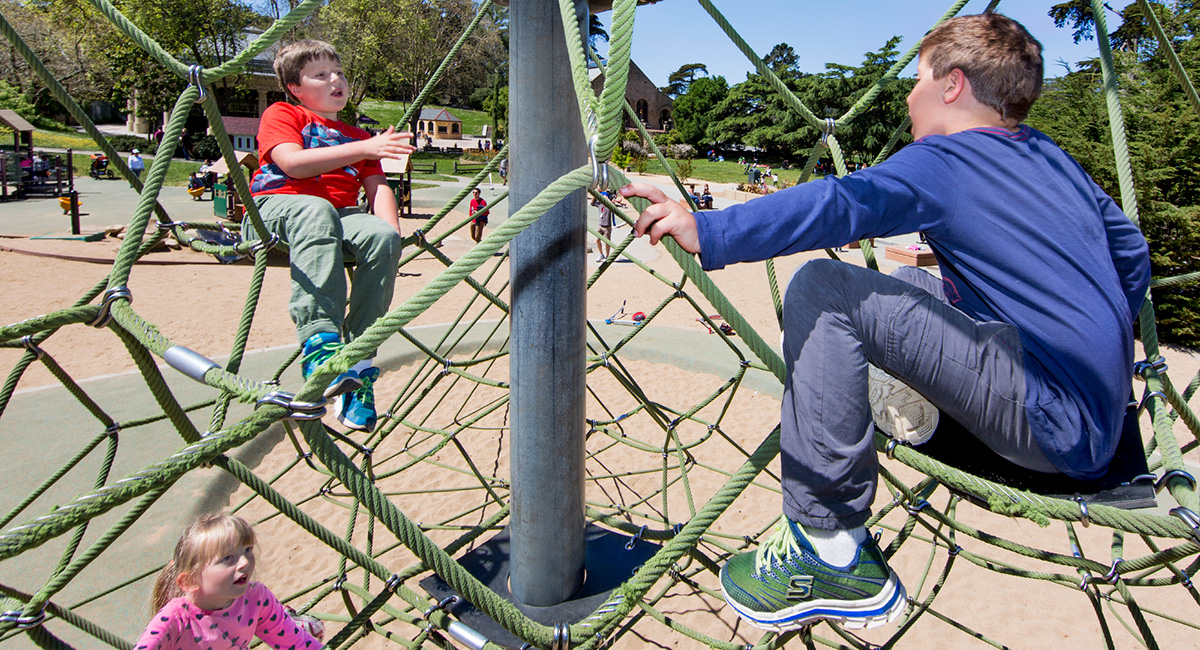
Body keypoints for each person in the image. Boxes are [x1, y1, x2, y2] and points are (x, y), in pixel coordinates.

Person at [621, 13, 1149, 633]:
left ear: (952, 85)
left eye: (918, 77)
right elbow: (1130, 256)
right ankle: (914, 410)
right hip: (1103, 419)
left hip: (1052, 426)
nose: (907, 94)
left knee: (824, 288)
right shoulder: (1053, 158)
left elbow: (843, 203)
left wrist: (709, 229)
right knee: (912, 285)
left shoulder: (947, 162)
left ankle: (830, 547)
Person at [247, 39, 415, 432]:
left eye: (338, 72)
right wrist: (365, 146)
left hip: (340, 216)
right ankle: (319, 343)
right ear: (295, 88)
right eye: (320, 75)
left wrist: (391, 234)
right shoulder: (283, 114)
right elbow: (292, 164)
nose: (335, 79)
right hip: (279, 207)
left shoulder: (357, 135)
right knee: (316, 208)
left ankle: (357, 364)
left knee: (381, 236)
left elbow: (379, 189)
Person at [135, 513, 325, 650]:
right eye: (227, 558)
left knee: (311, 632)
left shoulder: (255, 598)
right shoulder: (175, 620)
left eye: (247, 550)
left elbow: (296, 643)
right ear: (191, 580)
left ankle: (293, 619)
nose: (244, 562)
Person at [594, 191, 614, 263]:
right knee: (597, 240)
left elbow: (613, 207)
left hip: (607, 227)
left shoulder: (608, 206)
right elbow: (592, 203)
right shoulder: (599, 205)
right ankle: (601, 254)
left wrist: (607, 199)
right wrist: (595, 194)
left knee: (607, 242)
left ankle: (607, 256)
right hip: (600, 225)